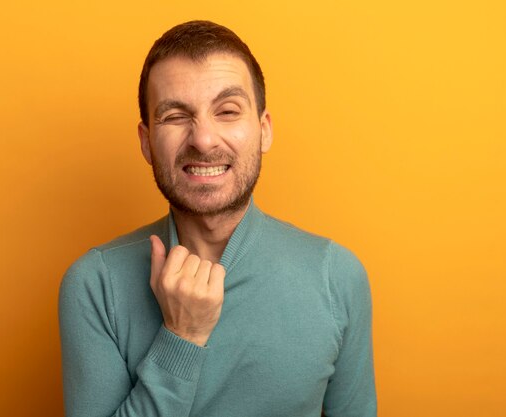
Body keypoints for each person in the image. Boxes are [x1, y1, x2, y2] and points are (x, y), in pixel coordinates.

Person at [59, 20, 376, 417]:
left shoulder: (338, 276)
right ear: (146, 142)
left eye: (227, 111)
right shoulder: (94, 285)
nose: (203, 139)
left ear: (263, 131)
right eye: (175, 116)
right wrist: (182, 337)